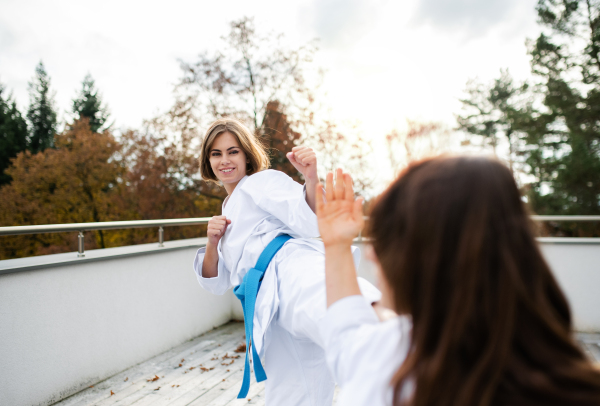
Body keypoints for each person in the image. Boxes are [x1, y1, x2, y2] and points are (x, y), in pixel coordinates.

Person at [316, 157, 600, 406]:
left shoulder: (381, 361)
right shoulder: (577, 388)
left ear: (414, 263)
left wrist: (337, 246)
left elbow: (345, 336)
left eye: (382, 242)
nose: (370, 253)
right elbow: (346, 332)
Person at [192, 118, 380, 405]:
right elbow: (215, 282)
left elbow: (306, 218)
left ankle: (397, 337)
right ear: (208, 160)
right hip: (270, 312)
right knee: (293, 395)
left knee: (333, 309)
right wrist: (212, 243)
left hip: (290, 267)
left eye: (233, 151)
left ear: (246, 155)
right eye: (216, 154)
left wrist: (311, 179)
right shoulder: (224, 214)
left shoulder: (261, 181)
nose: (224, 160)